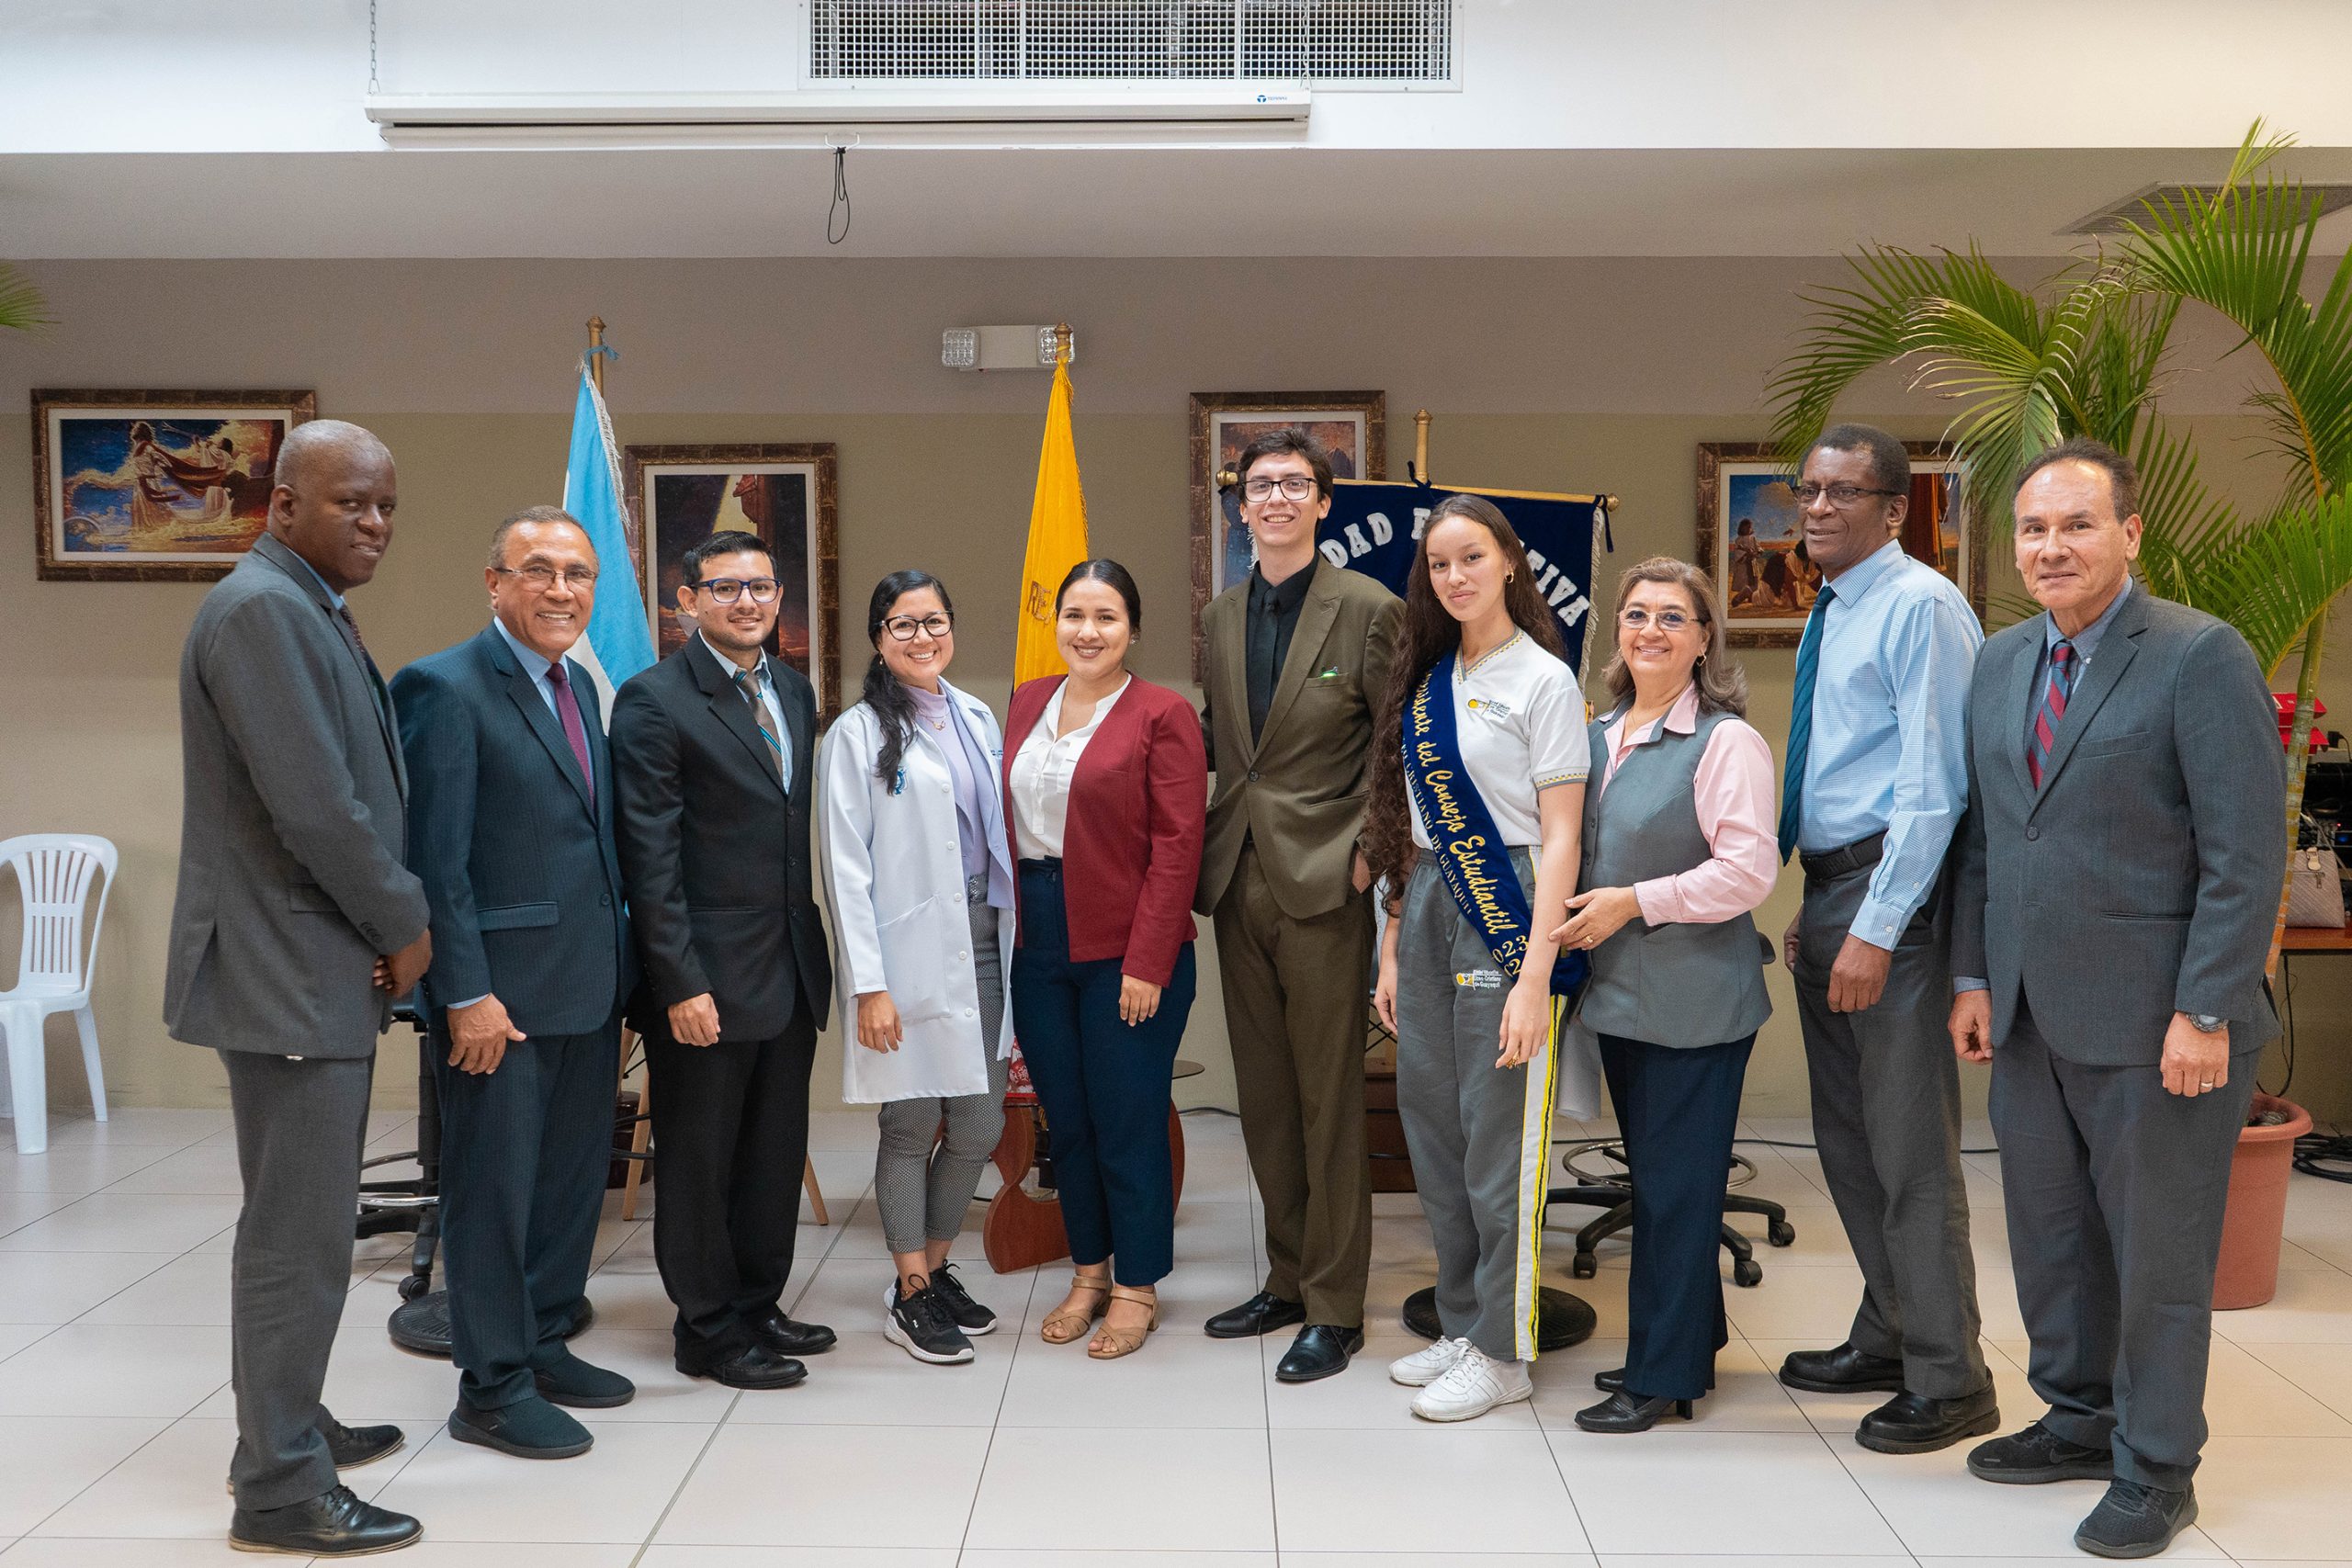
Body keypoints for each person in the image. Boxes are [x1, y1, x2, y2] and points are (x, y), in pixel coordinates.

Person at [1950, 439, 2286, 1560]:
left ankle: (2155, 1469)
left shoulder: (2199, 655)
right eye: (2033, 529)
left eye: (2076, 524)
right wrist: (1972, 976)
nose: (2051, 547)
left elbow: (2244, 855)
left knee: (2156, 1261)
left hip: (2160, 1027)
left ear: (2129, 534)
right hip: (2028, 1015)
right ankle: (2079, 1417)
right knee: (2052, 1243)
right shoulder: (2000, 661)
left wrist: (2206, 1009)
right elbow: (1990, 837)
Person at [164, 420, 428, 1556]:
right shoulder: (263, 611)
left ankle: (291, 1421)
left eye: (386, 507)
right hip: (287, 971)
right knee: (297, 1237)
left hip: (306, 966)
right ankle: (277, 1486)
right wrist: (405, 922)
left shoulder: (301, 603)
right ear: (282, 505)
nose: (373, 523)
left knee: (304, 1225)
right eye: (350, 502)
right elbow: (317, 809)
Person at [390, 506, 638, 1460]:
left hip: (584, 987)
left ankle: (540, 1342)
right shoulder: (446, 687)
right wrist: (464, 993)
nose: (561, 589)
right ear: (494, 582)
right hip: (498, 1000)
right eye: (538, 569)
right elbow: (433, 860)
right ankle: (490, 1388)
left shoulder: (578, 685)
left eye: (578, 574)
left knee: (569, 1187)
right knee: (494, 1194)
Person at [1775, 422, 1995, 1453]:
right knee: (1850, 1144)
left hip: (1888, 910)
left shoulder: (1919, 606)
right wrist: (1818, 900)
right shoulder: (1836, 605)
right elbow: (1843, 771)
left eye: (1843, 492)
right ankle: (1892, 1330)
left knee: (1908, 1155)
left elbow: (1932, 785)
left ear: (1896, 509)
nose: (1818, 507)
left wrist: (1874, 924)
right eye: (1808, 489)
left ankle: (1952, 1378)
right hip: (1836, 891)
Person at [1367, 493, 1588, 1423]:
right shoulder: (1429, 679)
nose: (1454, 577)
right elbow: (1408, 823)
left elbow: (1564, 835)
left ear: (1508, 561)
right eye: (1439, 564)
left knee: (1499, 1141)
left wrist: (1534, 974)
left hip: (1508, 904)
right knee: (1437, 1133)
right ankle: (1463, 1322)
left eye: (1471, 558)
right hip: (1425, 902)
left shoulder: (1544, 679)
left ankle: (1504, 1352)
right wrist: (1390, 944)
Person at [1550, 558, 1777, 1432]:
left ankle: (1662, 1376)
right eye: (1637, 613)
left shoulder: (1724, 741)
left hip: (1697, 1001)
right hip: (1621, 998)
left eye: (1673, 617)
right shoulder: (1600, 732)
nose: (1651, 629)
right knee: (1658, 1182)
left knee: (1678, 1191)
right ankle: (1688, 1341)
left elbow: (1748, 871)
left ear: (1703, 638)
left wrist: (1635, 901)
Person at [1194, 428, 1401, 1382]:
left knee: (1328, 1102)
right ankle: (1284, 1277)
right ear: (1240, 507)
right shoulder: (1219, 615)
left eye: (1295, 483)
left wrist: (1369, 856)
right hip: (1236, 874)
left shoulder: (1368, 609)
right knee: (1267, 1099)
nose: (1275, 497)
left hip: (1325, 879)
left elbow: (1394, 748)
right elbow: (1225, 741)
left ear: (1323, 501)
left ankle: (1334, 1304)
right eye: (1260, 484)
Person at [611, 528, 836, 1390]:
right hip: (703, 976)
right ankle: (705, 1328)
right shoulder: (654, 701)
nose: (748, 601)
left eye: (762, 586)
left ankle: (755, 1302)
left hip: (787, 965)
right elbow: (651, 859)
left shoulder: (794, 689)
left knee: (772, 1153)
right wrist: (679, 981)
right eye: (726, 587)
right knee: (701, 1161)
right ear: (688, 603)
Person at [1006, 559, 1207, 1361]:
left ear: (1133, 628)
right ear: (1054, 621)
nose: (1087, 631)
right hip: (1036, 937)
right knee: (1068, 1121)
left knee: (1128, 1120)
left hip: (1129, 943)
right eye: (1074, 614)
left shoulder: (1163, 712)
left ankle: (1137, 1284)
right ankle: (1089, 1270)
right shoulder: (1027, 700)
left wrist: (1148, 961)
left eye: (1106, 616)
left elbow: (1178, 846)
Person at [819, 570, 1015, 1367]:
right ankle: (909, 1291)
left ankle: (934, 1268)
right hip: (904, 951)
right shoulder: (856, 733)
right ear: (878, 637)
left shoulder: (976, 715)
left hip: (986, 939)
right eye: (903, 624)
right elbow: (845, 867)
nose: (921, 636)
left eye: (934, 621)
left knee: (980, 1122)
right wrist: (869, 984)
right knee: (909, 1122)